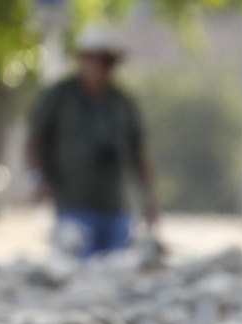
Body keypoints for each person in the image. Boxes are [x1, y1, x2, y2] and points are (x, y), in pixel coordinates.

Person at [26, 23, 157, 258]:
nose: (98, 67)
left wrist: (149, 198)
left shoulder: (122, 102)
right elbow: (34, 139)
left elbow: (139, 151)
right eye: (92, 59)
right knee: (76, 272)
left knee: (116, 272)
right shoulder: (59, 96)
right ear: (82, 60)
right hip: (72, 203)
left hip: (115, 205)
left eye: (104, 61)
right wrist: (38, 178)